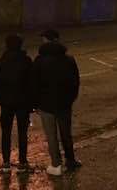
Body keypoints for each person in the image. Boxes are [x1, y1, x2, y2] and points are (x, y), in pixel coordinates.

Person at [32, 29, 81, 176]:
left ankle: (56, 164)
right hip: (64, 104)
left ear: (47, 40)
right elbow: (75, 82)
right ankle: (70, 160)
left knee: (51, 136)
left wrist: (35, 104)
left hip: (46, 105)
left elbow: (34, 84)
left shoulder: (39, 61)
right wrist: (70, 99)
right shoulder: (68, 59)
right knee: (66, 134)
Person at [0, 33, 34, 172]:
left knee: (6, 133)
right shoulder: (26, 61)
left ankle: (6, 162)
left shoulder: (0, 62)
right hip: (23, 102)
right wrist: (31, 102)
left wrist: (0, 99)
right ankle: (23, 162)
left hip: (6, 103)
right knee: (22, 132)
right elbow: (31, 83)